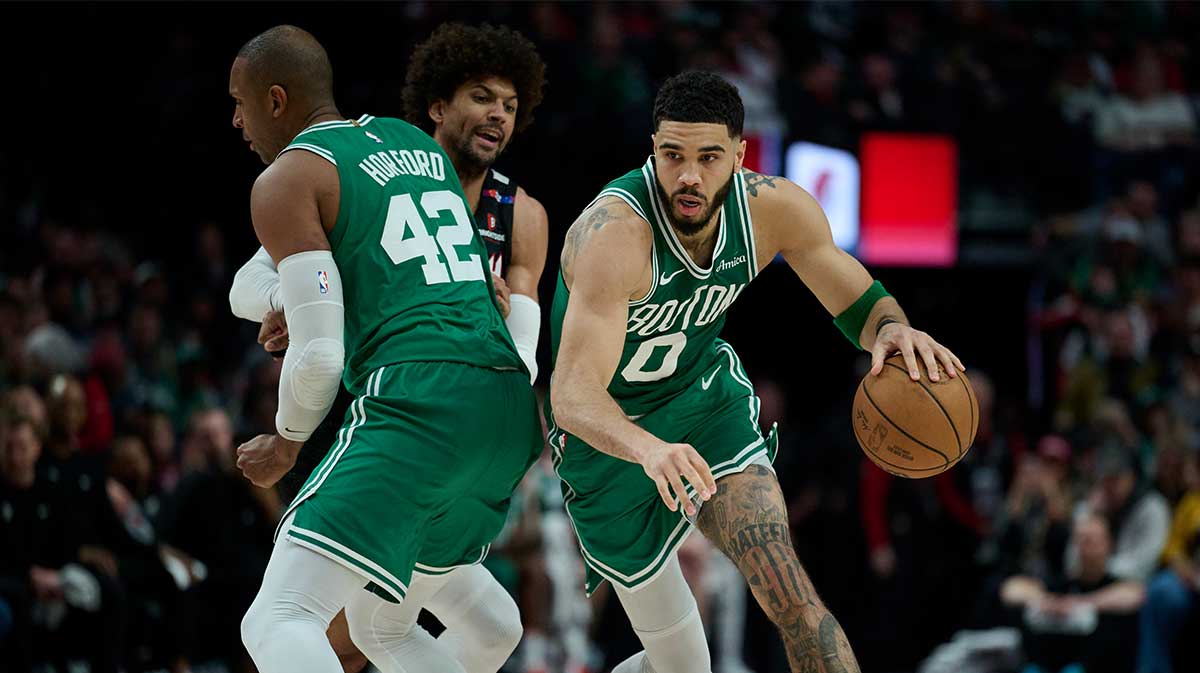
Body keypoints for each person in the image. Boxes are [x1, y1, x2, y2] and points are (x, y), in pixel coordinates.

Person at [546, 70, 963, 673]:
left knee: (789, 590)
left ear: (741, 156)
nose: (688, 176)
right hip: (610, 439)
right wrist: (649, 449)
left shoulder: (775, 210)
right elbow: (572, 395)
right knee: (682, 665)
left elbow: (856, 298)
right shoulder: (614, 236)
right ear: (653, 149)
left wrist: (891, 328)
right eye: (673, 155)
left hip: (702, 404)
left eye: (709, 157)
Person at [228, 22, 550, 673]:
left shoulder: (288, 179)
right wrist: (294, 300)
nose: (237, 120)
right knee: (418, 621)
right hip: (507, 413)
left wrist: (286, 442)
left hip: (421, 404)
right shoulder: (413, 146)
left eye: (239, 102)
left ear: (277, 100)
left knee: (279, 616)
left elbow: (318, 357)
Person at [1000, 514, 1145, 673]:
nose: (1084, 547)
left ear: (1109, 544)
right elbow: (1011, 589)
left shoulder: (1116, 585)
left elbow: (1136, 595)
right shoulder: (1063, 585)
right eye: (1080, 540)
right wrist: (1046, 601)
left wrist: (1080, 603)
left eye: (1091, 541)